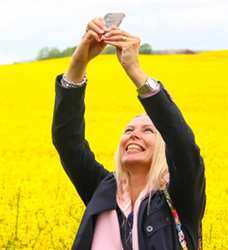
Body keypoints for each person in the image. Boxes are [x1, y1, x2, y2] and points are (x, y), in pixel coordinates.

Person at [51, 17, 206, 250]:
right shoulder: (102, 190)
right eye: (129, 130)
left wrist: (134, 70)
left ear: (164, 148)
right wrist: (78, 63)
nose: (134, 135)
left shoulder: (180, 197)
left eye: (148, 131)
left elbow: (182, 143)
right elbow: (67, 140)